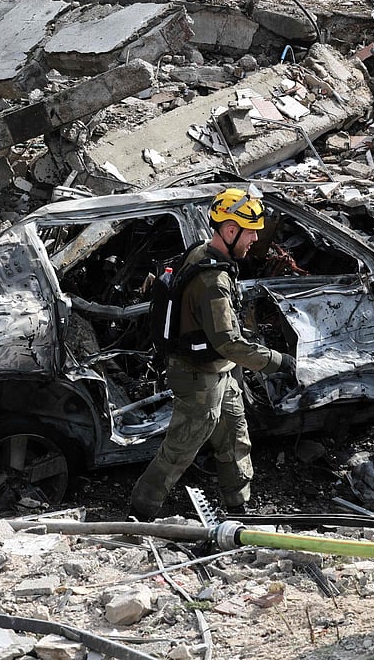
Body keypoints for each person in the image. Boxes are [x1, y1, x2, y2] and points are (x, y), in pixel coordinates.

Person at [129, 187, 295, 520]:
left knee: (235, 439)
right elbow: (228, 343)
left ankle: (239, 508)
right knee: (181, 448)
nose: (254, 241)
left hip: (219, 371)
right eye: (251, 234)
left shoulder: (203, 253)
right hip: (198, 377)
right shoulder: (213, 280)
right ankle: (141, 512)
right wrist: (277, 362)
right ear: (230, 231)